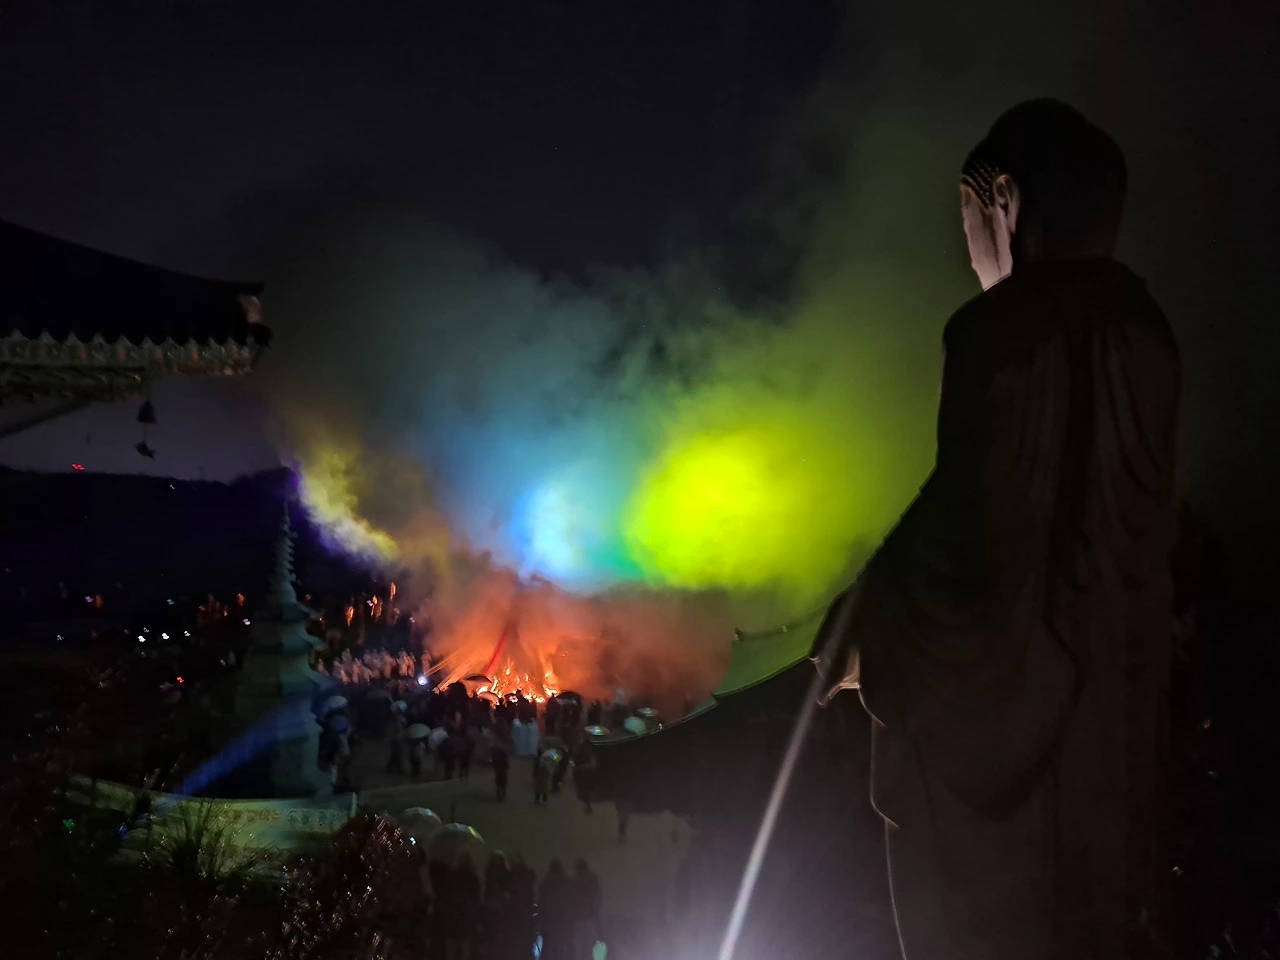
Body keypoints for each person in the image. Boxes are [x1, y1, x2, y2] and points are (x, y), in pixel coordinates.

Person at [816, 100, 1180, 960]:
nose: (973, 251)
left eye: (971, 223)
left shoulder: (994, 331)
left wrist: (866, 614)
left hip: (1002, 703)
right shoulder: (1148, 333)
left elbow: (971, 530)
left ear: (1006, 205)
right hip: (1113, 698)